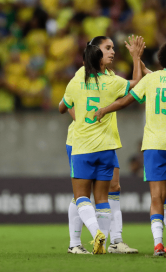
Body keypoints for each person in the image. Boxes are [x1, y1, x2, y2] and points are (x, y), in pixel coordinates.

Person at [95, 39, 166, 256]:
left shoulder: (152, 79)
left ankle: (158, 244)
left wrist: (104, 110)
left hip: (153, 145)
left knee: (157, 197)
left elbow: (124, 101)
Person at [59, 35, 144, 254]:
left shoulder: (109, 77)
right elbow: (65, 104)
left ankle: (113, 241)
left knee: (112, 188)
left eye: (113, 48)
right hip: (80, 141)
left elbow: (63, 103)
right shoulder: (83, 75)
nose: (113, 52)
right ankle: (76, 242)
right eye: (108, 48)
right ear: (95, 51)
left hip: (105, 142)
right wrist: (79, 118)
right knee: (82, 194)